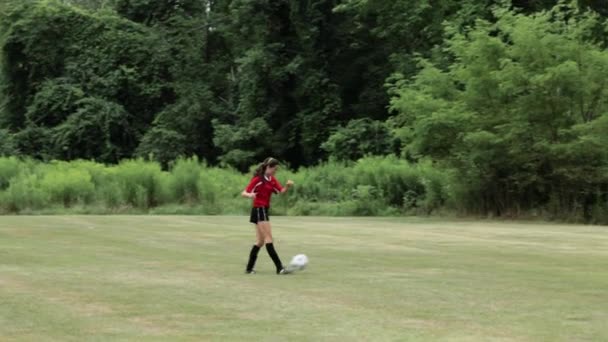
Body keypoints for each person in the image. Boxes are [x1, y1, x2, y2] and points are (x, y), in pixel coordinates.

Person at [241, 157, 294, 274]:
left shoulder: (272, 179)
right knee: (269, 239)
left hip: (263, 210)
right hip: (259, 210)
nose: (275, 171)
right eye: (274, 169)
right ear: (268, 167)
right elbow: (244, 193)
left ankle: (249, 269)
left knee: (260, 242)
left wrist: (287, 186)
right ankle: (279, 268)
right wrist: (250, 195)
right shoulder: (258, 179)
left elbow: (281, 191)